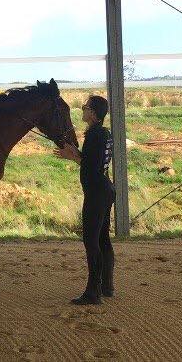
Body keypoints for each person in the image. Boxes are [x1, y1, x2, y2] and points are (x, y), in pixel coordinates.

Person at [53, 95, 114, 305]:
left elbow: (90, 167)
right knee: (103, 239)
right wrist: (76, 153)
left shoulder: (95, 135)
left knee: (91, 241)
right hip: (105, 189)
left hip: (96, 192)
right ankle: (106, 286)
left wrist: (73, 157)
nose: (83, 110)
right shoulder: (103, 133)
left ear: (94, 113)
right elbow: (94, 160)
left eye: (86, 107)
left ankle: (93, 292)